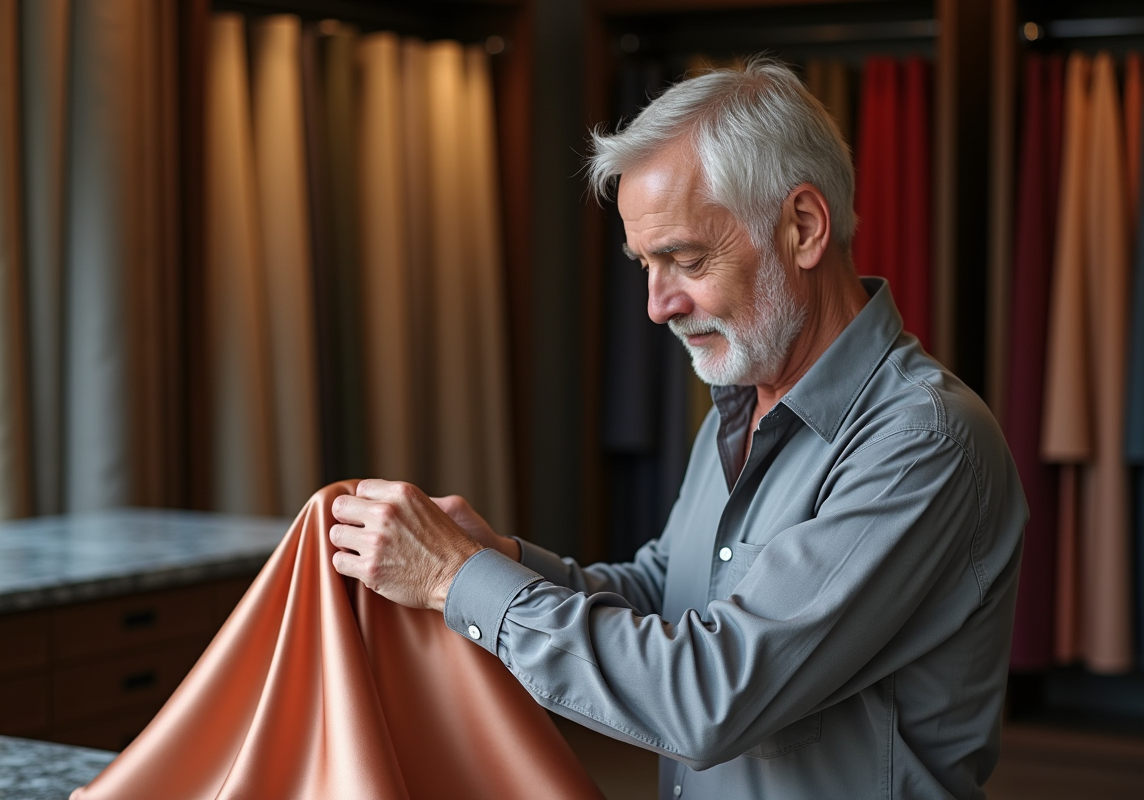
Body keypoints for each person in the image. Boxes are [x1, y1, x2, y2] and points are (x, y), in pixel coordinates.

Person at [329, 57, 1026, 800]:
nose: (659, 305)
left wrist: (456, 579)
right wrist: (502, 559)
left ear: (803, 227)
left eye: (685, 260)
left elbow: (708, 698)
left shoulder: (921, 441)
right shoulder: (747, 397)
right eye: (644, 266)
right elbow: (672, 594)